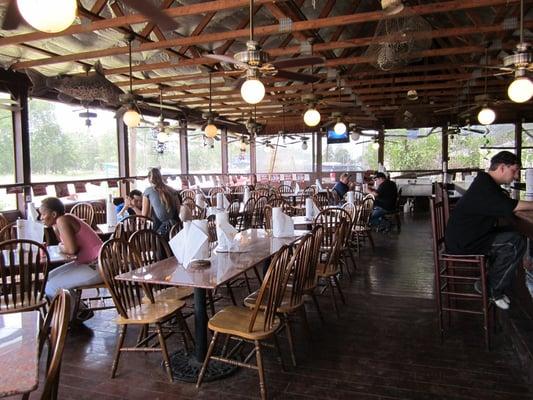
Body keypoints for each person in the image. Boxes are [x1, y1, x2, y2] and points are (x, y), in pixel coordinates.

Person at [445, 151, 533, 310]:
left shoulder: (485, 183)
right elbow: (512, 206)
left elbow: (507, 204)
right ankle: (492, 288)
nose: (516, 177)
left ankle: (494, 278)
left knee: (514, 232)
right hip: (465, 243)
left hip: (468, 236)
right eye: (514, 171)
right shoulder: (485, 187)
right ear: (501, 168)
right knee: (514, 242)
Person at [40, 197, 103, 322]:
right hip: (89, 263)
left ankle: (68, 320)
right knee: (48, 278)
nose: (41, 218)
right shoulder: (61, 221)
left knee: (51, 286)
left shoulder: (62, 220)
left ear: (53, 214)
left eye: (43, 214)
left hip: (98, 266)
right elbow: (69, 247)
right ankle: (79, 310)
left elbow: (71, 250)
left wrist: (60, 246)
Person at [142, 167, 180, 236]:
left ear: (149, 179)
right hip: (177, 229)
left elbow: (144, 217)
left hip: (161, 233)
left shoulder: (148, 192)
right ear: (161, 177)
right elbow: (179, 212)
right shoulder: (173, 190)